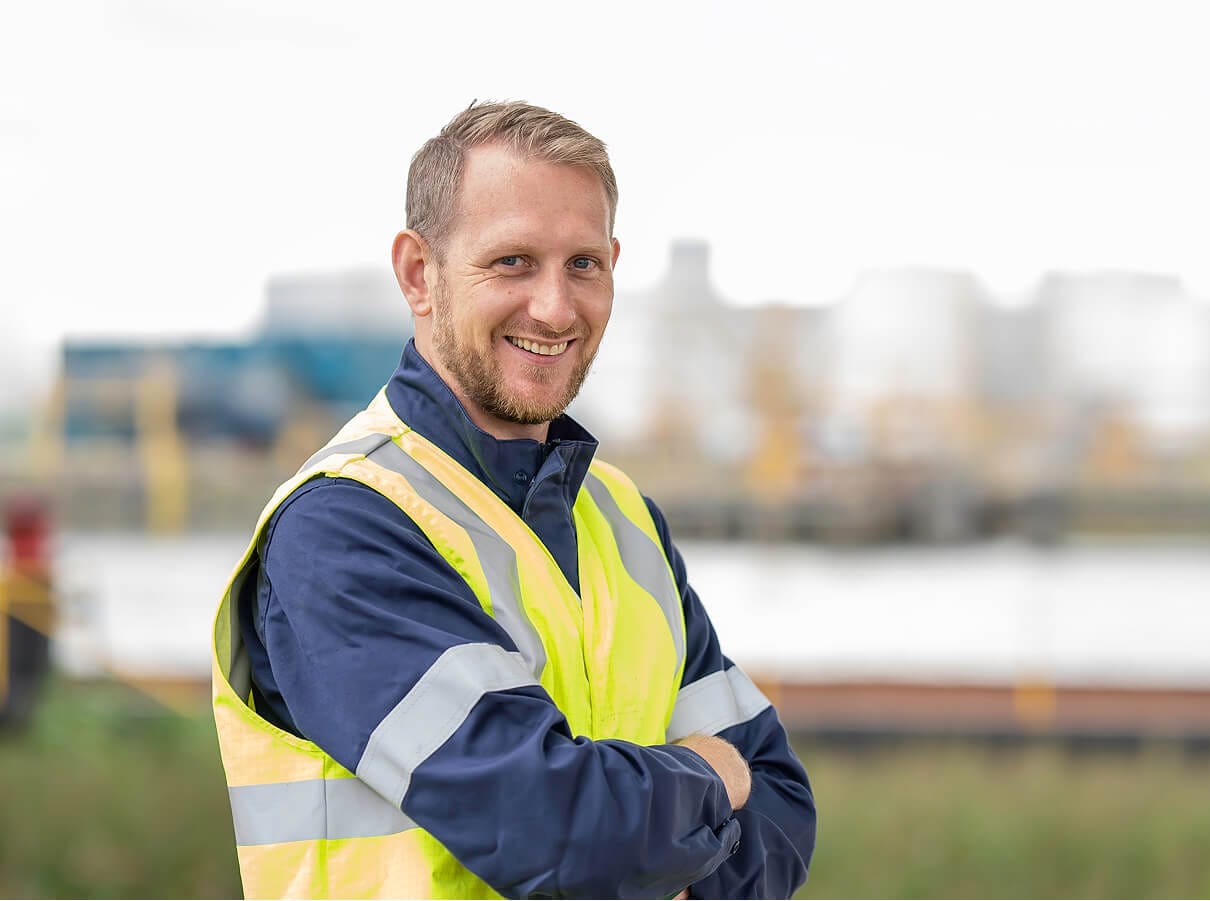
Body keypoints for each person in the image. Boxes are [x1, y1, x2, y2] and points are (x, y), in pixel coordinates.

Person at [210, 101, 816, 899]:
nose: (555, 308)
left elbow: (782, 807)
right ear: (419, 274)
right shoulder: (344, 527)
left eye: (583, 264)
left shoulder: (622, 517)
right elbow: (553, 829)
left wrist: (649, 844)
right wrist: (710, 775)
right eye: (513, 262)